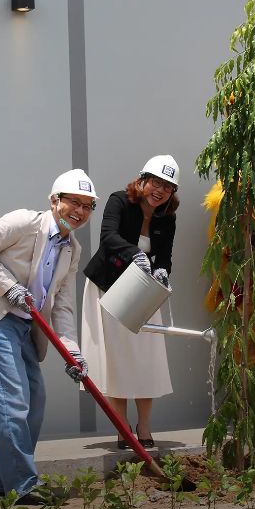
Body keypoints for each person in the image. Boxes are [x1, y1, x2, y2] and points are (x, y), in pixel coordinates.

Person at [0, 169, 95, 505]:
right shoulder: (27, 222)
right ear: (55, 201)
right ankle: (22, 484)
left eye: (87, 206)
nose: (80, 211)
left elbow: (63, 308)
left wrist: (73, 353)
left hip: (27, 325)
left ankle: (2, 479)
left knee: (35, 400)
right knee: (11, 399)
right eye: (74, 201)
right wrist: (8, 286)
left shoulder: (73, 250)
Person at [81, 155, 178, 450]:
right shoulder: (119, 201)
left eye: (168, 187)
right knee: (118, 359)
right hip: (109, 286)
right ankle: (123, 429)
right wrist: (135, 254)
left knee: (146, 358)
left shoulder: (168, 217)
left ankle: (144, 427)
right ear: (142, 180)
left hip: (143, 290)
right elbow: (107, 237)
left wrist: (161, 270)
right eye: (155, 183)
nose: (159, 191)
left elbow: (164, 256)